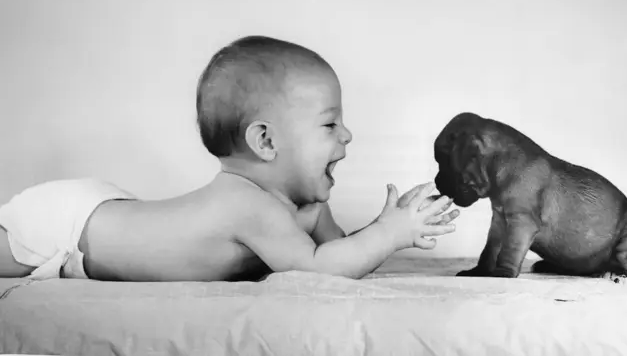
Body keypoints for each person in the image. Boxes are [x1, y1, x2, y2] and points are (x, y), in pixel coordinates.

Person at [0, 35, 458, 282]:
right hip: (71, 226)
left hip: (113, 215)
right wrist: (388, 234)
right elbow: (317, 268)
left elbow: (341, 260)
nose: (348, 134)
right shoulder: (245, 203)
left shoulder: (306, 208)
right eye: (329, 124)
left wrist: (390, 225)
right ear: (265, 142)